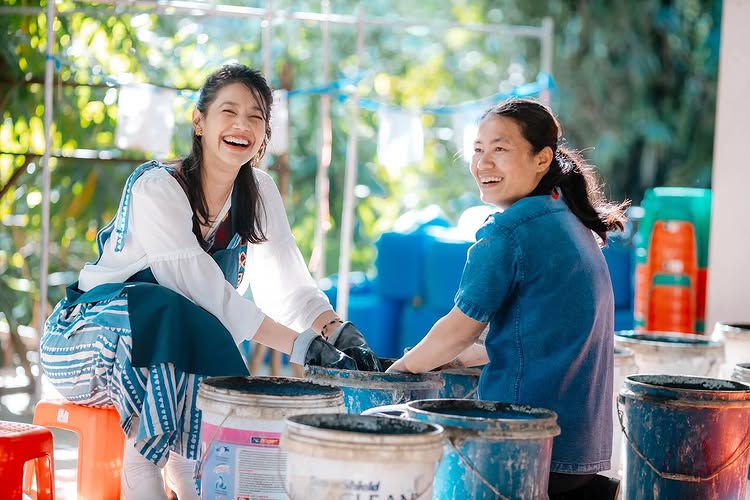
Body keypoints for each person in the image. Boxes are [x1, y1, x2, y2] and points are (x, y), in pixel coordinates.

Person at [40, 63, 380, 500]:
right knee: (165, 311)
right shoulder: (157, 187)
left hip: (170, 357)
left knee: (187, 341)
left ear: (266, 132)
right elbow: (199, 287)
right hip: (84, 348)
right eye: (229, 112)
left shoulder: (259, 192)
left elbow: (288, 286)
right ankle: (143, 469)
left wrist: (335, 331)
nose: (242, 125)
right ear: (199, 122)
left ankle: (187, 476)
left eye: (255, 117)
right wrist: (301, 347)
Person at [387, 97, 627, 499]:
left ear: (542, 159)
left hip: (521, 446)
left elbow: (457, 330)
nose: (483, 163)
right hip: (579, 450)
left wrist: (399, 371)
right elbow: (540, 338)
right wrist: (461, 358)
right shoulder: (569, 222)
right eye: (477, 149)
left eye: (500, 149)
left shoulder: (510, 232)